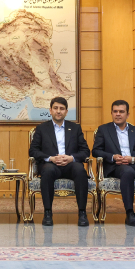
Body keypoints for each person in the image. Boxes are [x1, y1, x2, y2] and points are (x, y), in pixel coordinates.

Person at [92, 100, 135, 227]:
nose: (118, 114)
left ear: (127, 114)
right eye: (115, 111)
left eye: (121, 111)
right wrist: (113, 157)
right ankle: (129, 213)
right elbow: (96, 151)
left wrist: (133, 159)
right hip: (116, 166)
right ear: (111, 113)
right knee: (128, 171)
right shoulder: (104, 130)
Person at [29, 97, 91, 227]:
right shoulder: (41, 128)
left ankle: (82, 213)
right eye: (56, 108)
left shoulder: (75, 128)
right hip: (50, 164)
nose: (58, 111)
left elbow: (85, 151)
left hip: (70, 165)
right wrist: (50, 158)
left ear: (66, 112)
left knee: (80, 170)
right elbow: (33, 151)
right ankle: (47, 213)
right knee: (47, 171)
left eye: (62, 109)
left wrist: (71, 158)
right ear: (50, 110)